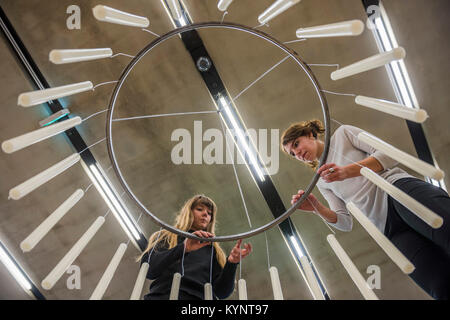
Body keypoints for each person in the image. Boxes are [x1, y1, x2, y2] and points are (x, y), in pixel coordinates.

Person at [281, 119, 450, 300]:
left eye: (296, 144)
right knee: (439, 286)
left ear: (309, 134)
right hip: (388, 228)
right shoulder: (321, 181)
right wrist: (317, 208)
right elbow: (345, 223)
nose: (297, 153)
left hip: (398, 191)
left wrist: (347, 171)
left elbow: (389, 154)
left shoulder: (343, 134)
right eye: (292, 153)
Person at [137, 194, 252, 300]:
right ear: (189, 212)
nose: (206, 214)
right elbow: (149, 269)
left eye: (209, 213)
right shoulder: (167, 236)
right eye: (200, 209)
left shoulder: (214, 250)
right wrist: (183, 248)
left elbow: (221, 292)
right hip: (163, 296)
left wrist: (231, 263)